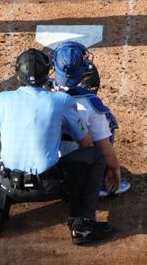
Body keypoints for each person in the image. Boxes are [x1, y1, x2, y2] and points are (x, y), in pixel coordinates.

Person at [0, 48, 116, 245]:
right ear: (47, 74)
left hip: (10, 187)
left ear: (18, 76)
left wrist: (0, 178)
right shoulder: (61, 101)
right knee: (94, 156)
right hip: (51, 187)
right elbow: (85, 143)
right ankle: (81, 223)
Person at [51, 42, 131, 198]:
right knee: (108, 121)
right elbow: (104, 147)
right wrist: (114, 168)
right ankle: (99, 181)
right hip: (75, 168)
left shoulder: (41, 95)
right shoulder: (89, 103)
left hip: (44, 167)